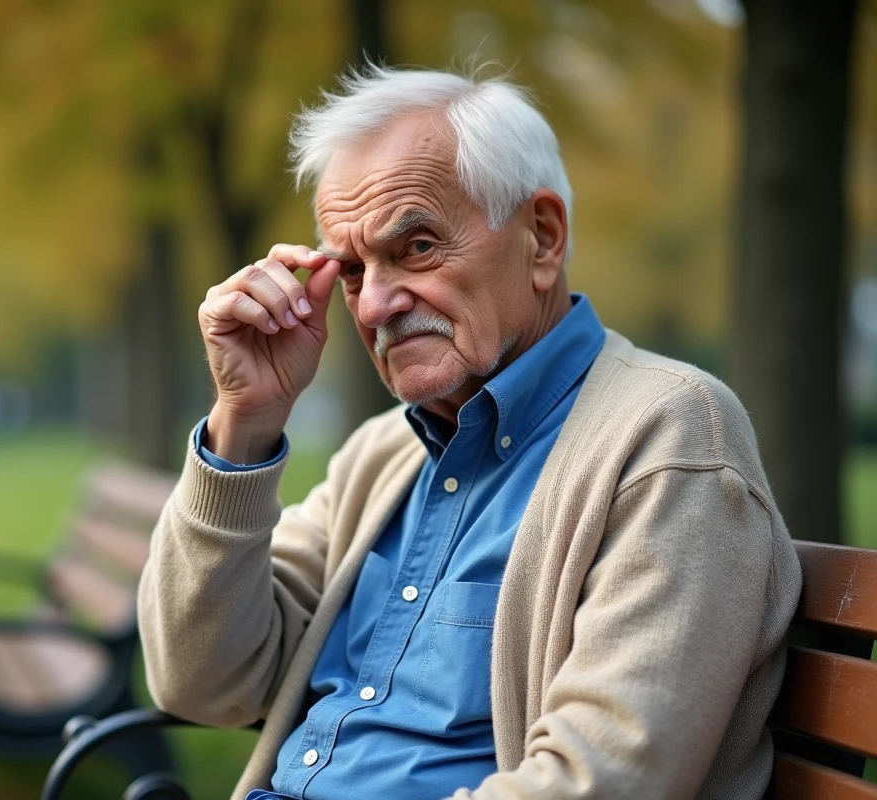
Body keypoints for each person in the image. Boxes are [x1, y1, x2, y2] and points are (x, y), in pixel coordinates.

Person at [138, 65, 801, 800]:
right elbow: (200, 683)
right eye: (353, 270)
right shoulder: (383, 455)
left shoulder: (669, 437)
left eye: (417, 246)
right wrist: (244, 421)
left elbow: (600, 780)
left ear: (543, 238)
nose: (376, 306)